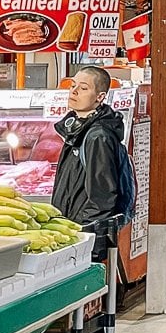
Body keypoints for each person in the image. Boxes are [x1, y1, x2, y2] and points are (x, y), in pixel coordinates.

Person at [52, 65, 128, 249]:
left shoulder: (98, 136)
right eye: (73, 85)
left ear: (100, 97)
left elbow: (102, 196)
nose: (74, 91)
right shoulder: (78, 129)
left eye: (84, 88)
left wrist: (83, 234)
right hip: (69, 227)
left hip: (82, 233)